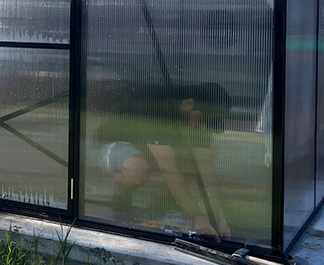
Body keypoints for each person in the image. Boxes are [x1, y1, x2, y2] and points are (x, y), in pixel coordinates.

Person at [97, 84, 232, 241]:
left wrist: (218, 216)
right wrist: (197, 217)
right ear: (188, 104)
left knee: (195, 159)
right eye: (202, 119)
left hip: (147, 148)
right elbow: (170, 172)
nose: (203, 127)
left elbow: (206, 170)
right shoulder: (159, 110)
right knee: (137, 169)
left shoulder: (194, 119)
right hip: (110, 144)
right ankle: (120, 197)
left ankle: (160, 203)